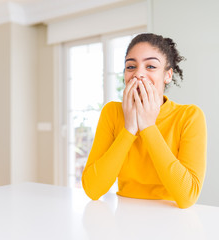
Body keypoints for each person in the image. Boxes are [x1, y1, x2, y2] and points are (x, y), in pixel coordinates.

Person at [81, 33, 207, 209]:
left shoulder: (189, 116)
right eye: (131, 66)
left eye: (150, 66)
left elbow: (187, 197)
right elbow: (93, 190)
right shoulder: (112, 113)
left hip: (171, 219)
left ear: (167, 75)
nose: (138, 74)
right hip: (124, 214)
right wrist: (129, 129)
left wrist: (148, 127)